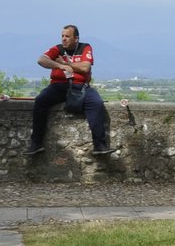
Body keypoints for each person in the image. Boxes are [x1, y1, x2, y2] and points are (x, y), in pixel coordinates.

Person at [26, 24, 116, 160]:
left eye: (67, 36)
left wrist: (68, 64)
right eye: (62, 36)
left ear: (76, 38)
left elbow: (85, 68)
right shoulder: (57, 49)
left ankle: (100, 145)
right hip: (59, 86)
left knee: (96, 103)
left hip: (81, 86)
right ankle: (36, 143)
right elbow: (41, 60)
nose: (64, 39)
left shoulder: (85, 47)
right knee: (41, 100)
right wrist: (60, 65)